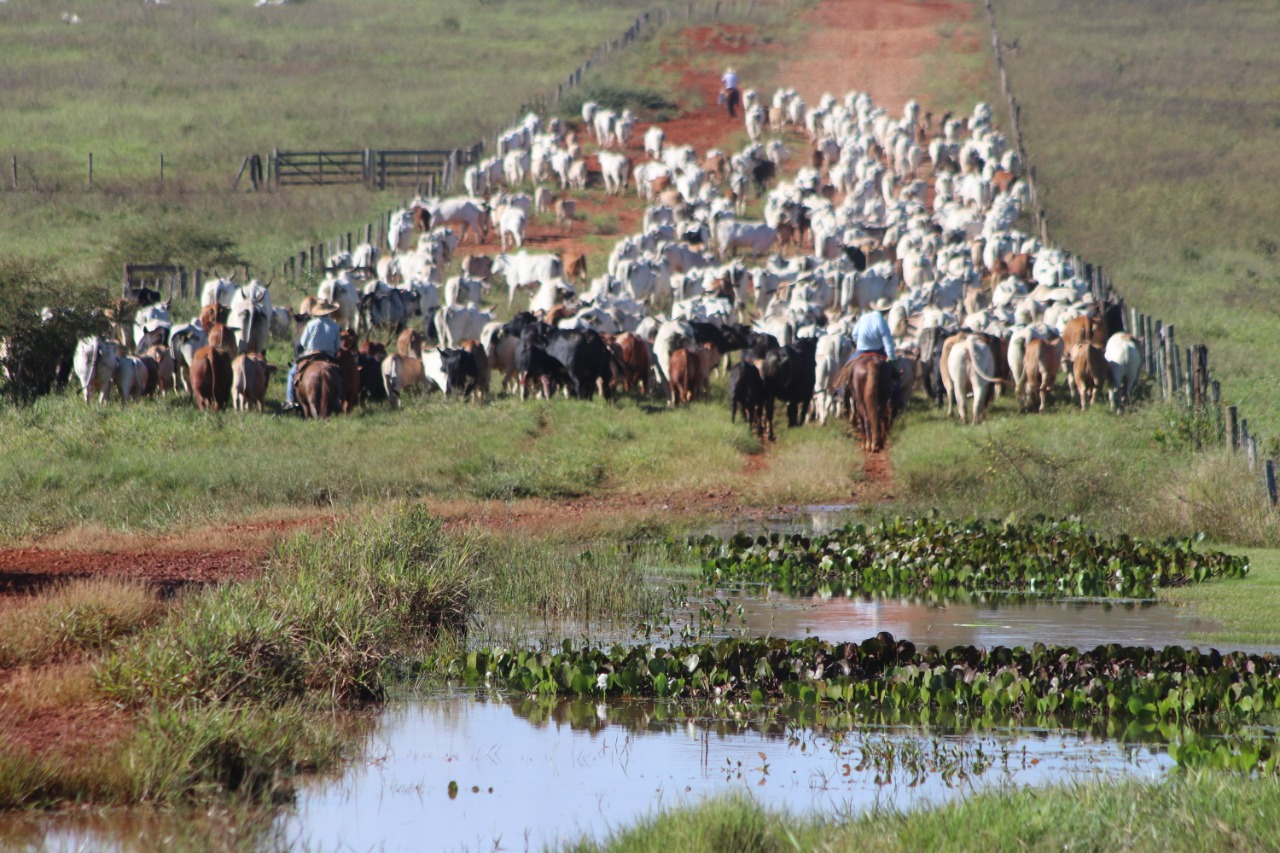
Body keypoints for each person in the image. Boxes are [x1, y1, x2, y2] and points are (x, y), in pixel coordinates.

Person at [282, 300, 342, 412]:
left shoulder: (311, 324)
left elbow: (303, 342)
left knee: (292, 372)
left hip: (311, 354)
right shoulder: (335, 326)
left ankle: (290, 400)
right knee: (341, 374)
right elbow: (337, 346)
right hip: (329, 356)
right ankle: (339, 399)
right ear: (329, 312)